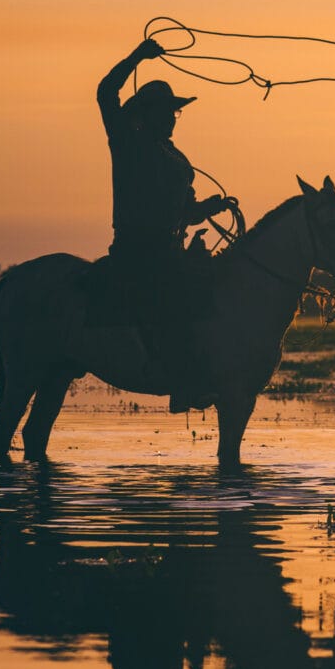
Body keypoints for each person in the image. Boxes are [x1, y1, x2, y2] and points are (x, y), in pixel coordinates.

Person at [96, 38, 226, 410]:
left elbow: (186, 214)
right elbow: (106, 91)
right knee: (177, 299)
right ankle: (184, 383)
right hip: (137, 250)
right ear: (147, 114)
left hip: (170, 249)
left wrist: (210, 209)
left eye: (175, 111)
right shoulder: (126, 141)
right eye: (166, 111)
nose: (172, 117)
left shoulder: (178, 160)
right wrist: (137, 56)